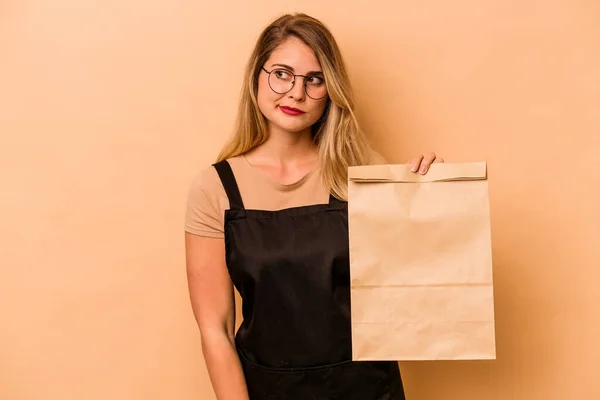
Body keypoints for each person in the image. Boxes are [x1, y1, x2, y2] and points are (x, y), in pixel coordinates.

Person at [184, 12, 443, 400]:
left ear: (331, 90)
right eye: (282, 74)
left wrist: (430, 201)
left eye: (315, 79)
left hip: (368, 388)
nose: (296, 93)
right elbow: (214, 329)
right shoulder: (215, 188)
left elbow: (413, 288)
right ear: (258, 75)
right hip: (266, 389)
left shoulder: (362, 172)